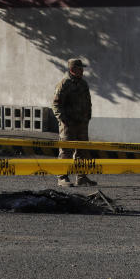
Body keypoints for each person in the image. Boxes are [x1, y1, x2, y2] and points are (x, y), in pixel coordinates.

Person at [52, 57, 97, 188]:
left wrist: (87, 116)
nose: (82, 71)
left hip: (81, 124)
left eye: (82, 68)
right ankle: (62, 177)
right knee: (66, 150)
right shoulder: (64, 84)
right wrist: (63, 120)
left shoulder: (83, 84)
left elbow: (88, 102)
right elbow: (56, 104)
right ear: (72, 70)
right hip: (68, 124)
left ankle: (81, 177)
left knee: (82, 151)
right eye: (80, 68)